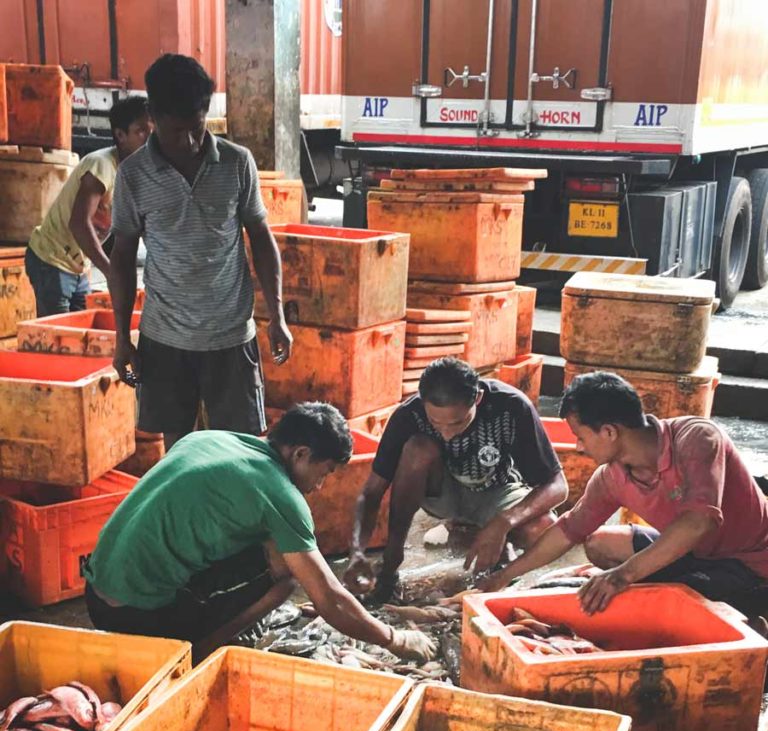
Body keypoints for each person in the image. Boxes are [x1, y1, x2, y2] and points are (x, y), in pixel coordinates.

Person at [83, 403, 434, 663]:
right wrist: (394, 638)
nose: (319, 486)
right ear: (300, 453)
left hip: (96, 595)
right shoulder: (280, 494)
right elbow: (330, 600)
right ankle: (199, 649)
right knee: (287, 577)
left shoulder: (211, 439)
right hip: (136, 616)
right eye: (324, 472)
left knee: (277, 547)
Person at [109, 53, 293, 450]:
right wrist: (122, 337)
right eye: (178, 131)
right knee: (178, 453)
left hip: (231, 337)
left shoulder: (236, 163)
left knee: (240, 450)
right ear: (153, 117)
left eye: (198, 127)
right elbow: (121, 259)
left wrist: (276, 315)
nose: (191, 141)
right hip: (164, 339)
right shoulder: (133, 175)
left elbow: (261, 238)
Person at [483, 372, 768, 620]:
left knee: (671, 602)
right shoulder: (611, 475)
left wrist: (623, 575)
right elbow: (570, 529)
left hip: (750, 562)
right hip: (694, 553)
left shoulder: (697, 438)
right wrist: (504, 575)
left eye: (580, 436)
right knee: (599, 544)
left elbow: (698, 522)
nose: (579, 447)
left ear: (608, 432)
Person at [344, 358, 568, 600]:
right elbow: (372, 492)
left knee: (544, 530)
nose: (447, 433)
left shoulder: (511, 406)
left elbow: (557, 486)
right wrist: (359, 551)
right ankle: (393, 564)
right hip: (442, 495)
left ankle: (486, 543)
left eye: (458, 422)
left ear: (478, 399)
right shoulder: (408, 415)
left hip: (497, 489)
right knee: (418, 449)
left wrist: (503, 522)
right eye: (435, 423)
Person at [24, 96, 151, 316]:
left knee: (80, 331)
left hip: (77, 266)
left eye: (153, 129)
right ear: (120, 135)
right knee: (59, 336)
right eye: (141, 130)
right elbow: (79, 224)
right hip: (50, 260)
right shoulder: (101, 164)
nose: (149, 137)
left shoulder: (136, 174)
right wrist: (110, 271)